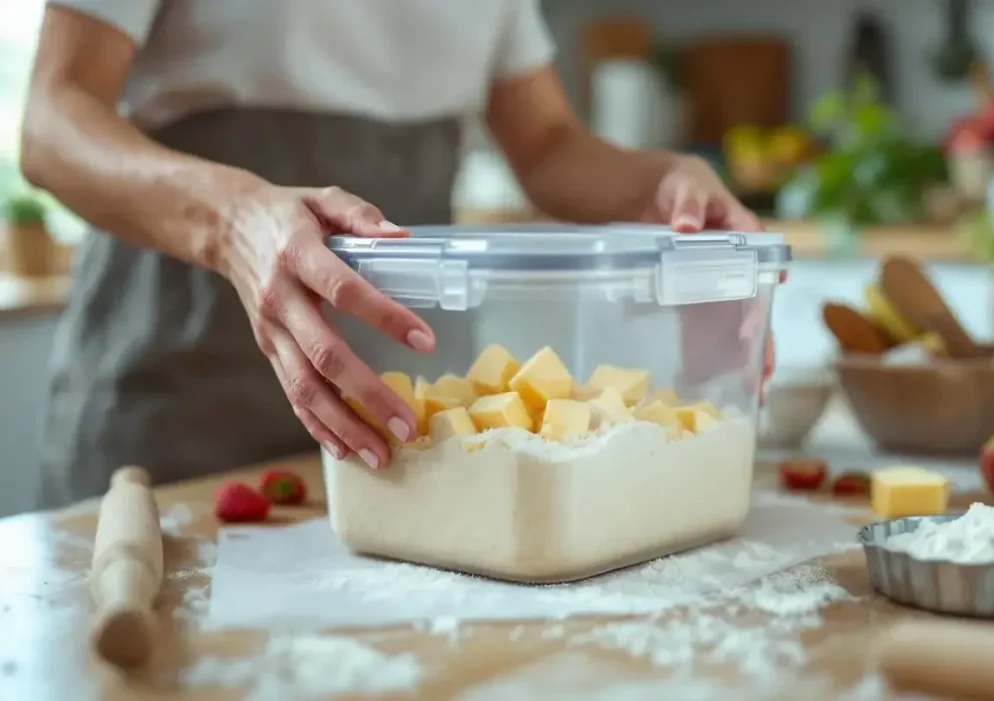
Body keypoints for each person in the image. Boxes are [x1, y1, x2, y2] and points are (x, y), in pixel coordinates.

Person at [20, 0, 771, 508]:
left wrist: (665, 183)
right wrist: (236, 219)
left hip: (397, 429)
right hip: (171, 411)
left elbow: (545, 145)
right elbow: (53, 121)